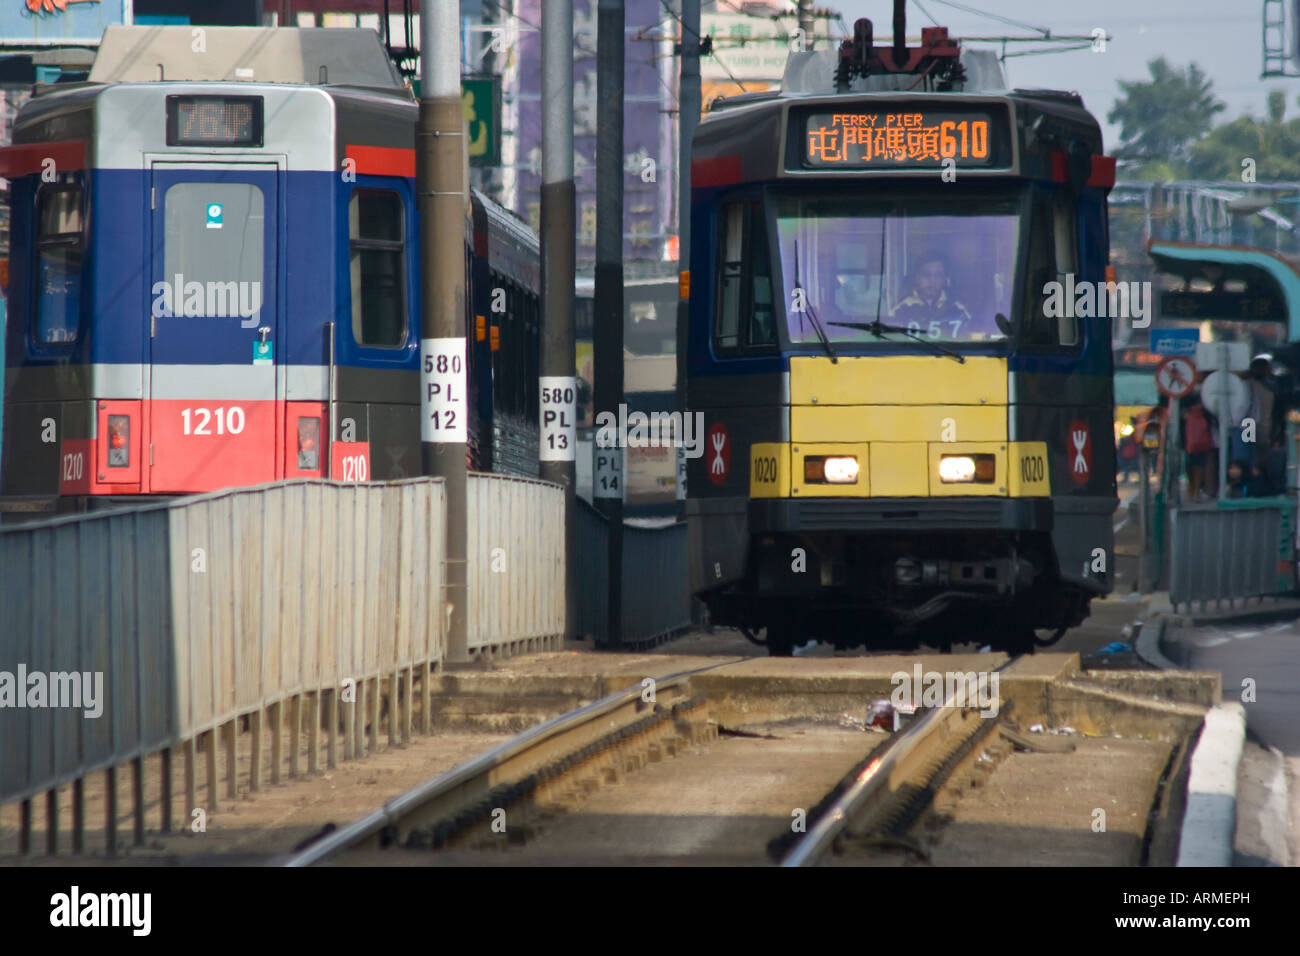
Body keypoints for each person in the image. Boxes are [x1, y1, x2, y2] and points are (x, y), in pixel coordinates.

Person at [890, 253, 972, 332]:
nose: (932, 280)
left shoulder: (957, 310)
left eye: (938, 275)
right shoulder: (901, 309)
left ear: (944, 280)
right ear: (917, 278)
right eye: (926, 274)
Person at [1181, 391, 1218, 500]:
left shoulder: (1205, 411)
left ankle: (1195, 489)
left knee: (1197, 465)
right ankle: (1194, 488)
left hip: (1199, 442)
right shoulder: (1186, 397)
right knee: (1191, 465)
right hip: (1189, 440)